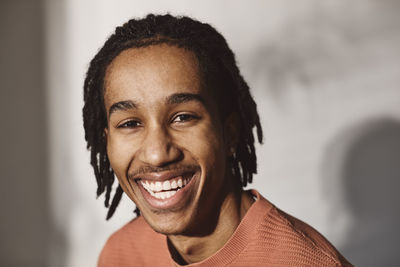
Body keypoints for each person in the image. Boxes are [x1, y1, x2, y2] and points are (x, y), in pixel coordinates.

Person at [83, 14, 352, 266]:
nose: (157, 154)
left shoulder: (305, 261)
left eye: (183, 117)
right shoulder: (122, 255)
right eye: (130, 123)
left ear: (230, 132)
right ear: (107, 141)